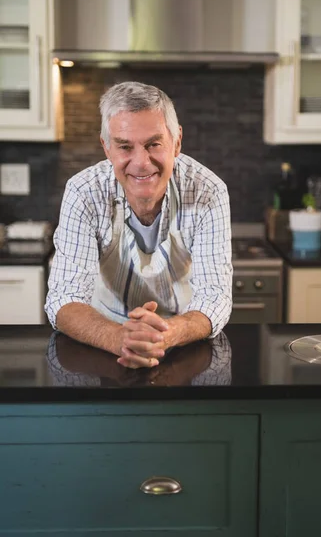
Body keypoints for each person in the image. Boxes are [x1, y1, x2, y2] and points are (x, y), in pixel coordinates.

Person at [45, 81, 232, 369]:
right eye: (124, 146)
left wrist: (165, 334)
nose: (141, 163)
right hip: (102, 342)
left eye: (153, 144)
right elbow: (63, 298)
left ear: (177, 142)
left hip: (182, 342)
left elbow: (215, 296)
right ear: (106, 148)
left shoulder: (209, 191)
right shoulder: (83, 192)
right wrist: (119, 337)